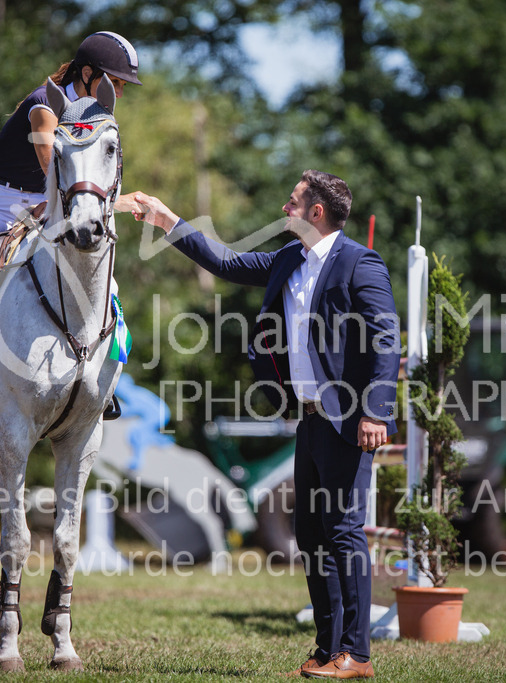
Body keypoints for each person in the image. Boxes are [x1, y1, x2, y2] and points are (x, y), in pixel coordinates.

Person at [130, 171, 400, 680]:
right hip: (310, 420)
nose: (284, 208)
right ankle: (327, 647)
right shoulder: (288, 260)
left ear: (315, 212)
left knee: (344, 531)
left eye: (293, 201)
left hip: (349, 419)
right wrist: (167, 220)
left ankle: (357, 655)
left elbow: (387, 339)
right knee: (312, 533)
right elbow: (227, 261)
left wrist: (376, 412)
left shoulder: (359, 263)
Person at [0, 31, 143, 401]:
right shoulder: (44, 106)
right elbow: (51, 162)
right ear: (85, 74)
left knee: (104, 286)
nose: (119, 93)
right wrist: (55, 202)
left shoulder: (95, 118)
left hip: (45, 206)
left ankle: (101, 383)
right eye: (113, 82)